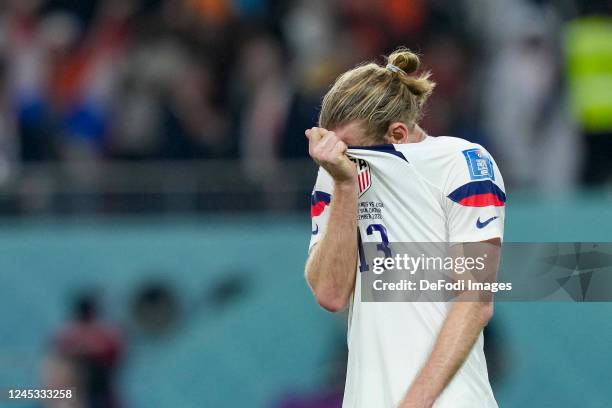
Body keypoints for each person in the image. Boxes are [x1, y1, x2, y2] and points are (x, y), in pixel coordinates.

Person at [304, 48, 506, 408]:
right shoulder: (334, 173)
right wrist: (346, 186)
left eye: (350, 149)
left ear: (397, 133)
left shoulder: (463, 164)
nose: (335, 154)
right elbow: (330, 294)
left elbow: (475, 301)